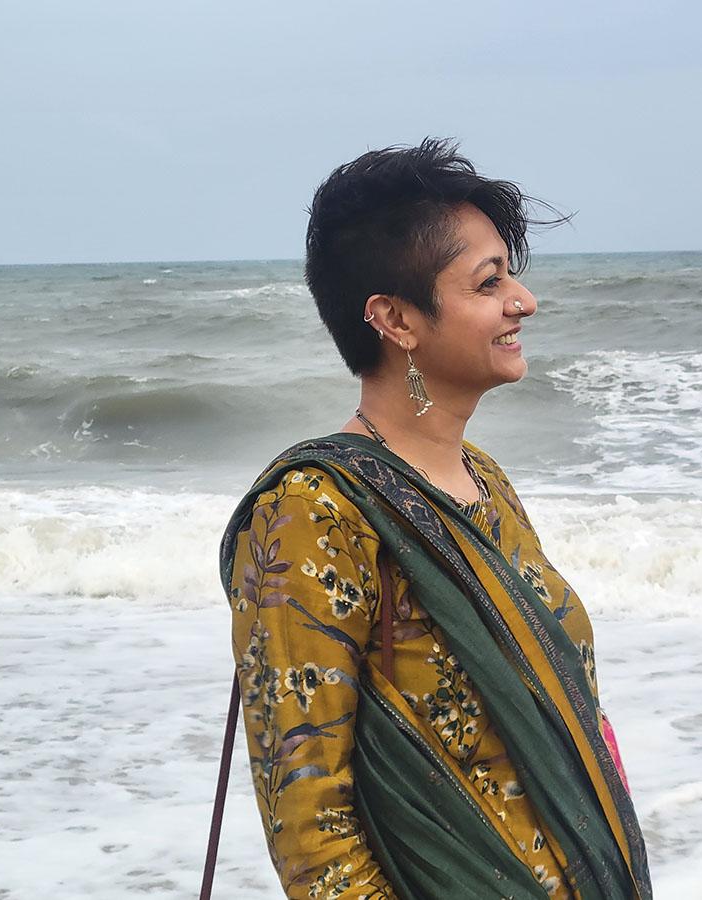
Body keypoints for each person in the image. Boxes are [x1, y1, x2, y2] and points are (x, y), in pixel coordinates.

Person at [218, 138, 652, 900]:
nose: (523, 301)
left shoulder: (483, 479)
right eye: (488, 284)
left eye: (511, 276)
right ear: (395, 319)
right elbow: (310, 836)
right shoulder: (314, 511)